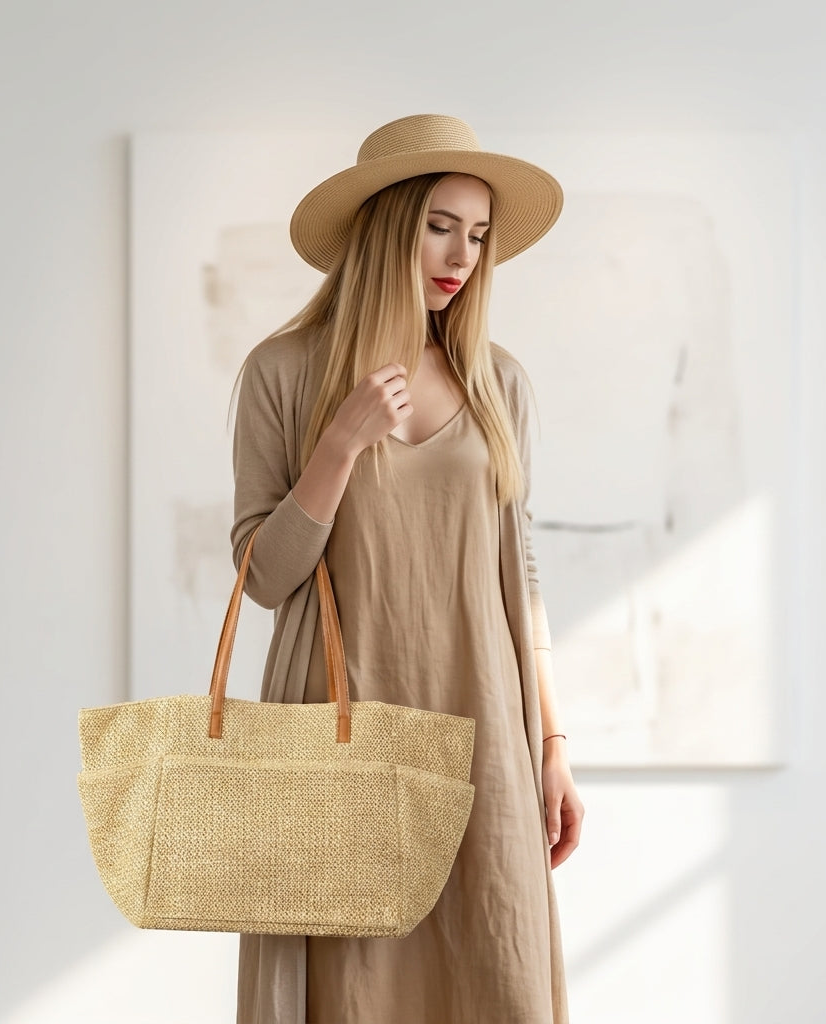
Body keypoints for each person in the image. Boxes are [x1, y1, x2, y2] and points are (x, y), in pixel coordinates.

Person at [231, 113, 584, 1024]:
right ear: (388, 225)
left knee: (494, 966)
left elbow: (522, 578)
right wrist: (339, 446)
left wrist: (552, 747)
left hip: (484, 725)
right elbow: (264, 578)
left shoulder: (495, 380)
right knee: (353, 989)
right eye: (439, 226)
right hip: (339, 723)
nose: (462, 256)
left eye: (479, 234)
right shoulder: (283, 371)